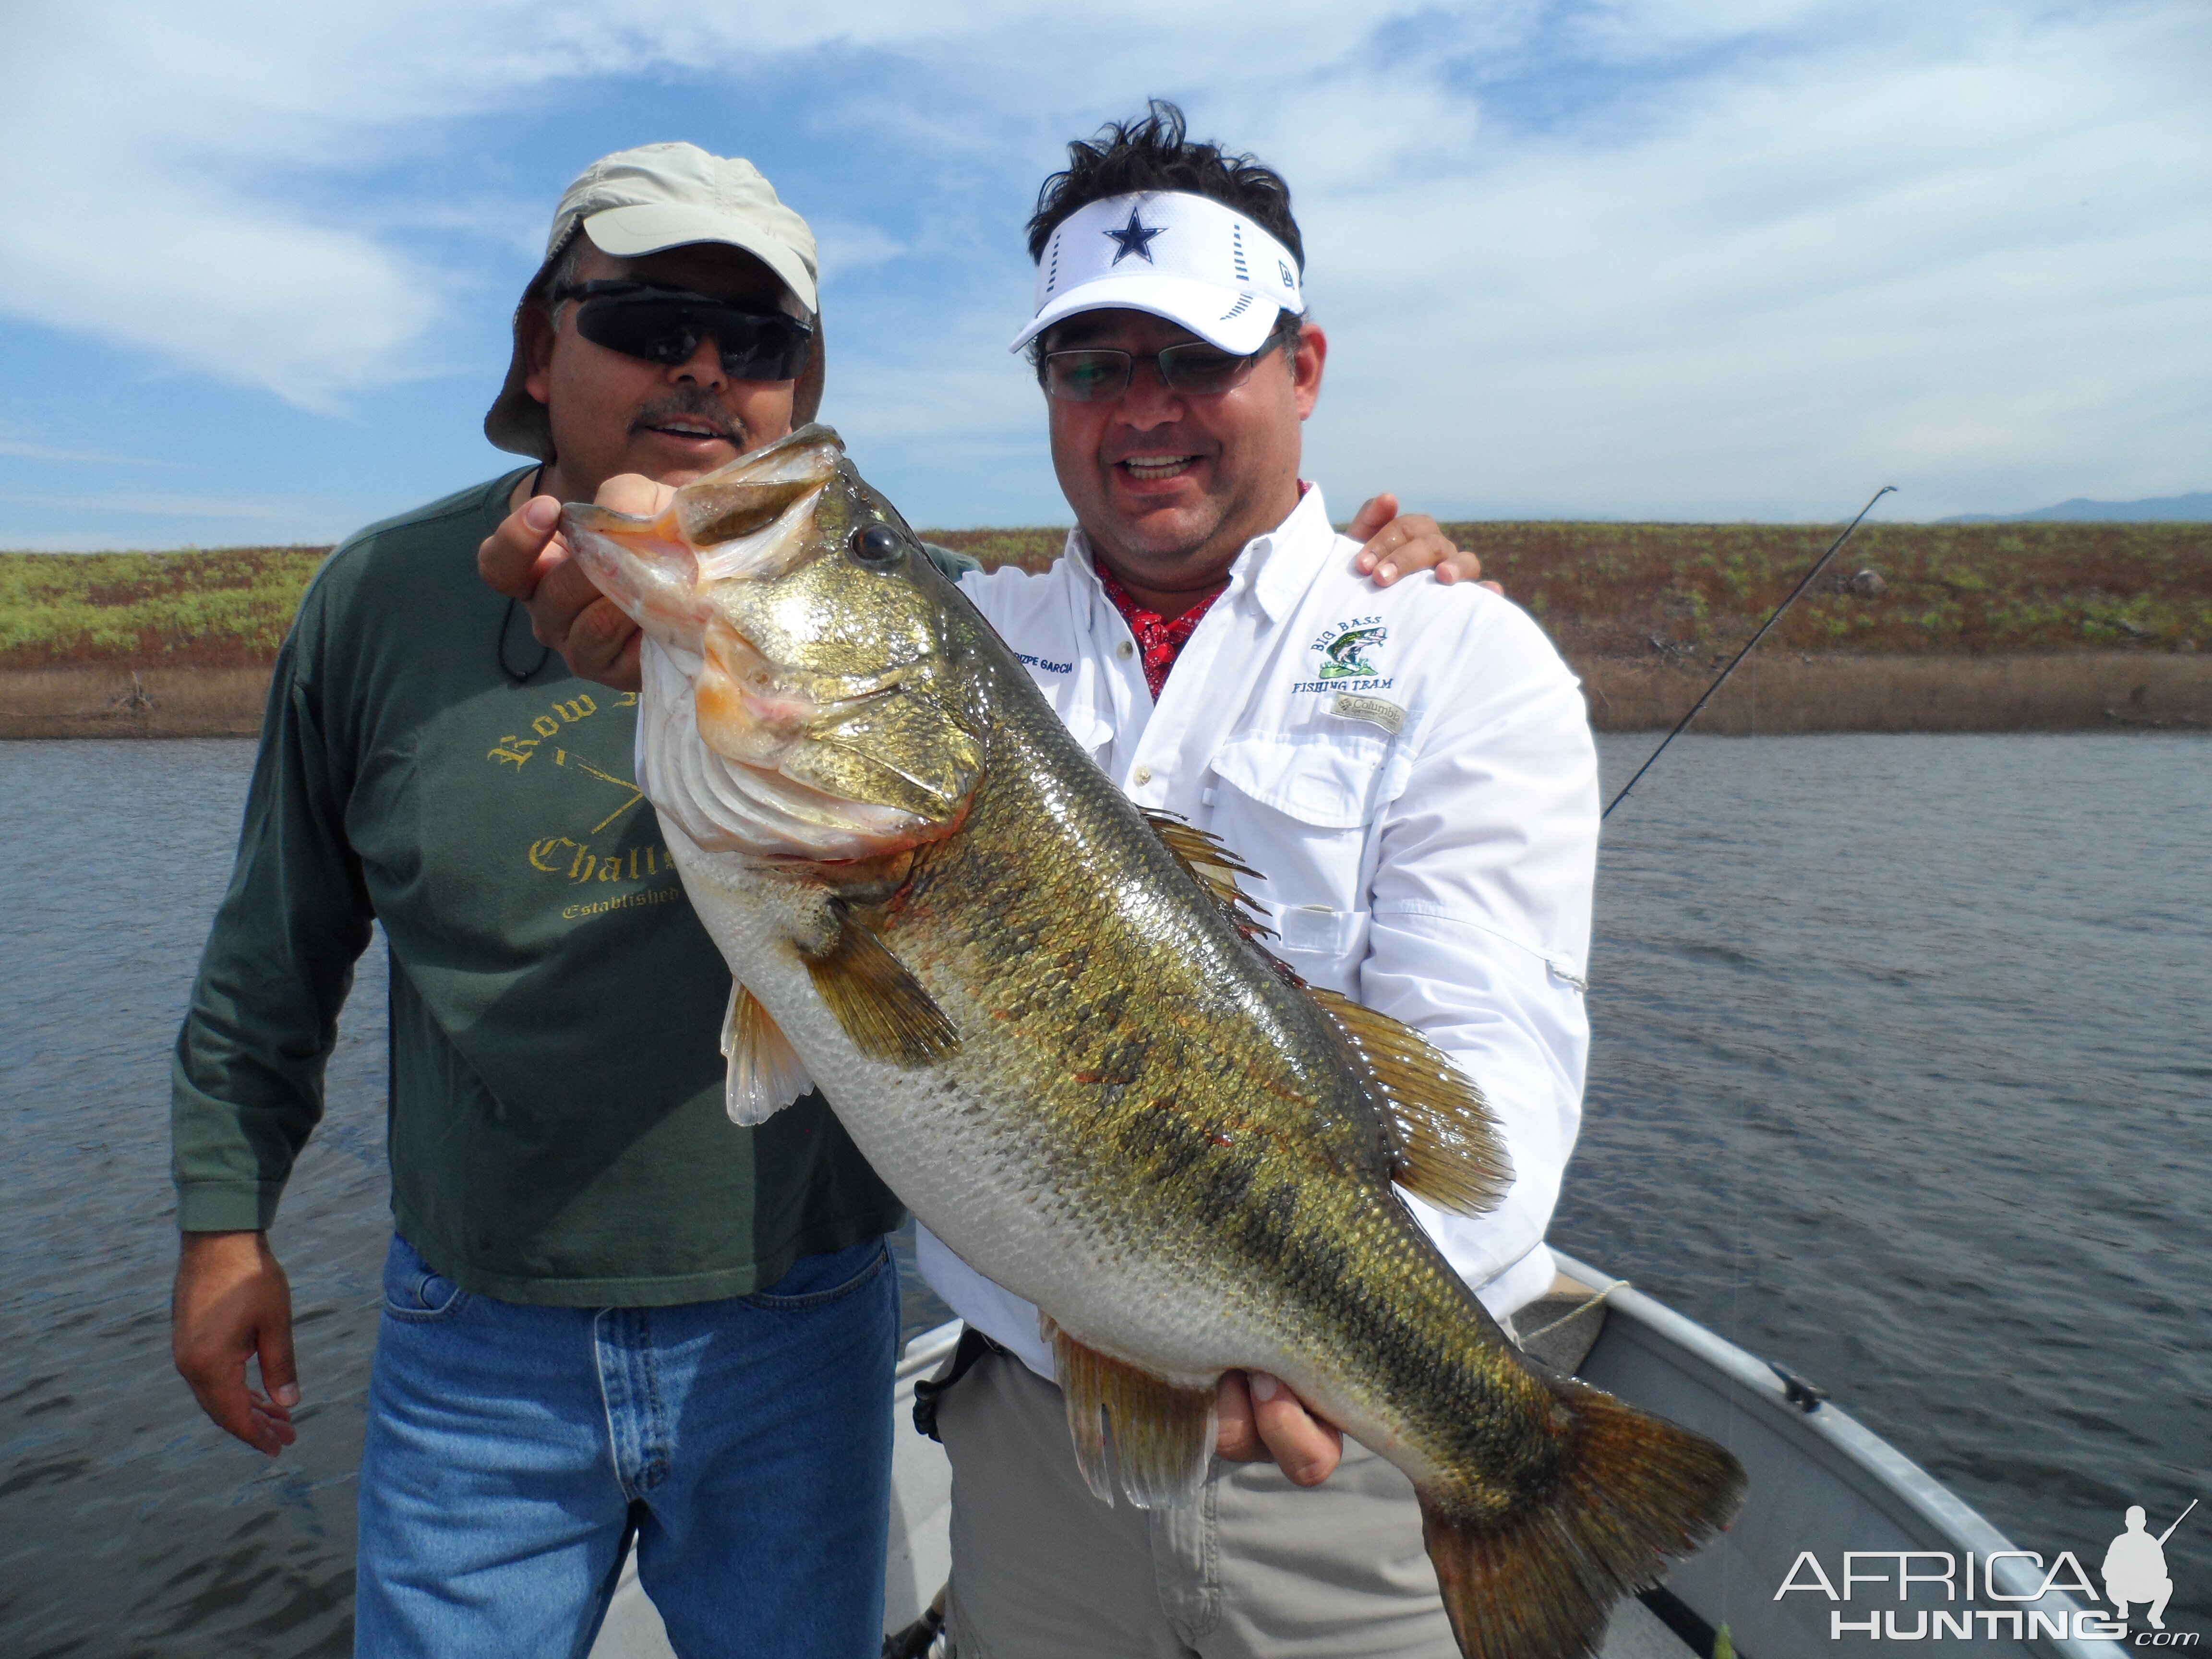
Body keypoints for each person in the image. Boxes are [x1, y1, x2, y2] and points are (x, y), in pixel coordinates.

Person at [171, 141, 1484, 1658]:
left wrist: (1392, 569)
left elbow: (1139, 664)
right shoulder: (378, 603)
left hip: (798, 1335)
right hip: (478, 1340)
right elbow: (273, 954)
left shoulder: (917, 612)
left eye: (761, 343)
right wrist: (224, 1229)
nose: (706, 374)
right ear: (542, 345)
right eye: (652, 323)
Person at [913, 104, 1600, 1657]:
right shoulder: (956, 650)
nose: (1140, 408)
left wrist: (1315, 1345)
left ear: (1301, 367)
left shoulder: (1451, 647)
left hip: (1354, 1471)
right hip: (1036, 1457)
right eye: (1090, 364)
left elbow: (1487, 1068)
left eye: (1194, 357)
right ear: (1044, 392)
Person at [2103, 1505, 2175, 1629]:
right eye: (2133, 1521)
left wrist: (2147, 1570)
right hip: (2122, 1589)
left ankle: (2155, 1616)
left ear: (2144, 1523)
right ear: (2127, 1523)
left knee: (2167, 1584)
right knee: (2110, 1583)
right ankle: (2123, 1607)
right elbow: (2106, 1570)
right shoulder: (2119, 1541)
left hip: (2146, 1590)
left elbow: (2164, 1572)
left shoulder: (2151, 1543)